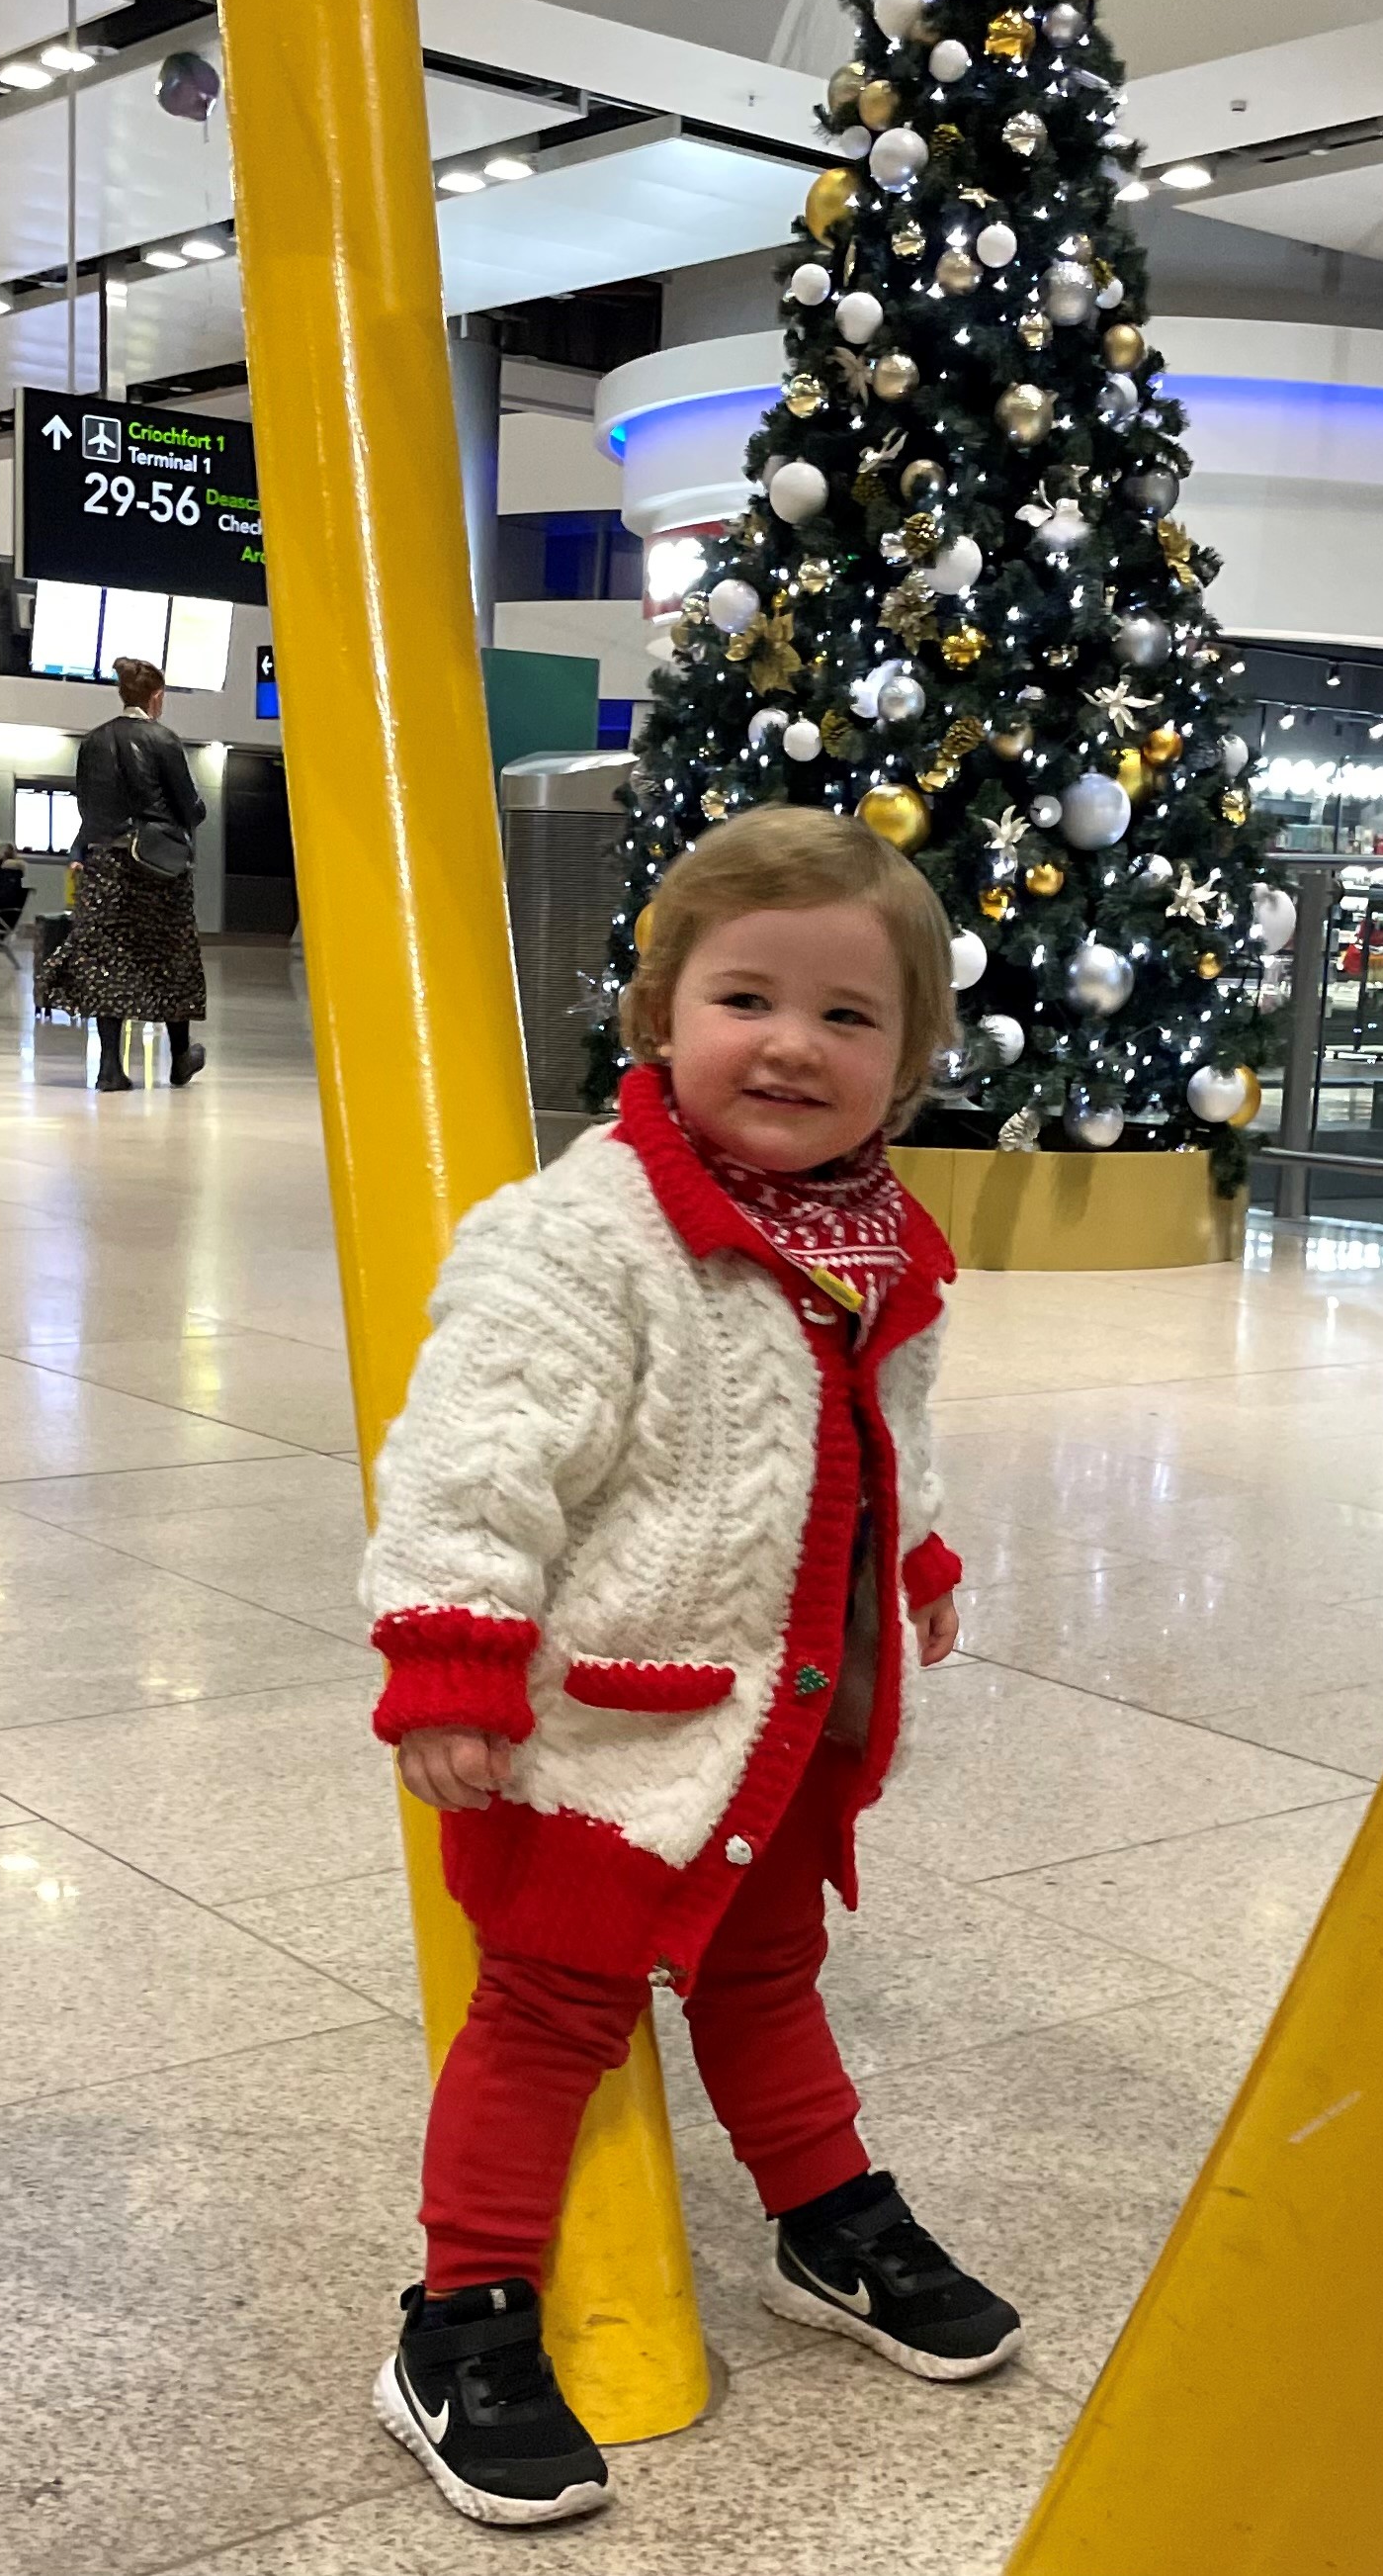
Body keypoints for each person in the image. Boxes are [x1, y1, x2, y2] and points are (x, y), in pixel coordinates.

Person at [361, 806, 1018, 2530]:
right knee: (547, 2012)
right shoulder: (578, 1237)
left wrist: (919, 1552)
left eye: (847, 1015)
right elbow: (475, 1453)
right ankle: (462, 2313)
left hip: (791, 1726)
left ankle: (824, 2215)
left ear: (906, 1061)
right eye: (745, 996)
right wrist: (451, 1648)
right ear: (659, 1014)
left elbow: (887, 1430)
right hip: (610, 1734)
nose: (790, 1043)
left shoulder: (881, 1248)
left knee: (766, 1972)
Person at [37, 657, 208, 1092]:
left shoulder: (92, 742)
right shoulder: (162, 738)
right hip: (157, 867)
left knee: (107, 960)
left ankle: (110, 1066)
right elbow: (189, 807)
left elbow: (86, 808)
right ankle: (180, 1056)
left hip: (105, 865)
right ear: (156, 696)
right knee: (172, 955)